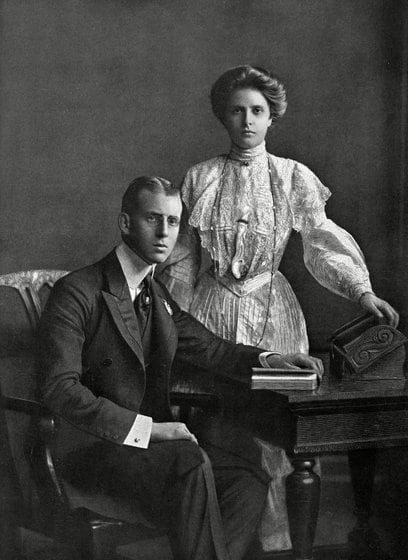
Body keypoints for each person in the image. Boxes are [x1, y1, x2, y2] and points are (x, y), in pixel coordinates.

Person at [157, 65, 399, 551]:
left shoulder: (292, 177)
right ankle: (223, 542)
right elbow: (182, 257)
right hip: (211, 313)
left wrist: (361, 291)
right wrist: (165, 323)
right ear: (223, 117)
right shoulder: (200, 177)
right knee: (219, 427)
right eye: (237, 110)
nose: (247, 120)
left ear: (272, 118)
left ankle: (282, 546)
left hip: (275, 314)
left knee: (281, 427)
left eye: (258, 111)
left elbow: (320, 241)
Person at [37, 175, 323, 560]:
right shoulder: (77, 291)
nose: (164, 232)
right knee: (189, 461)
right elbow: (59, 389)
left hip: (150, 455)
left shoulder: (155, 295)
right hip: (94, 449)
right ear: (125, 223)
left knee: (248, 478)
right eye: (152, 219)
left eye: (173, 222)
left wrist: (274, 359)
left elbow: (212, 349)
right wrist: (149, 430)